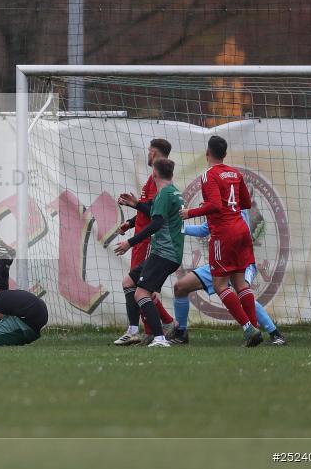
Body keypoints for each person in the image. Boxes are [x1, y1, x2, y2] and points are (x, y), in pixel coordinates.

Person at [179, 135, 262, 347]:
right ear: (224, 154)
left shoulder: (209, 176)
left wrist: (190, 212)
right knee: (240, 282)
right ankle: (254, 328)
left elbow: (215, 205)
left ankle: (247, 327)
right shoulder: (235, 173)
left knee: (219, 284)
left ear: (208, 152)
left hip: (224, 234)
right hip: (242, 231)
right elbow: (245, 202)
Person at [170, 209, 286, 345]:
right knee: (181, 287)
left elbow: (236, 231)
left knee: (241, 293)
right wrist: (178, 227)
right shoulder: (219, 200)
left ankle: (275, 334)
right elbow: (204, 229)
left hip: (241, 262)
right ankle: (181, 333)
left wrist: (193, 212)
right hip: (221, 261)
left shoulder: (234, 205)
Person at [114, 158, 185, 348]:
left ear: (154, 173)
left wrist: (130, 242)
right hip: (167, 253)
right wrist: (136, 204)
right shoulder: (173, 192)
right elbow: (153, 210)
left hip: (164, 254)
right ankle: (133, 330)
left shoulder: (164, 194)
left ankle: (160, 337)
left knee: (141, 293)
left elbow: (156, 223)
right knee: (129, 282)